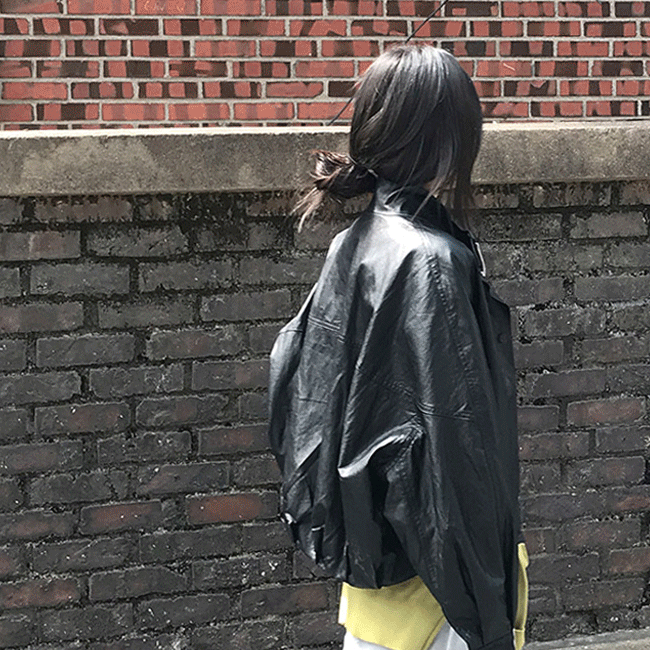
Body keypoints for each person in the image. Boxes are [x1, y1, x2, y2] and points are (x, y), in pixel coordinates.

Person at [268, 45, 528, 650]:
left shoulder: (354, 243)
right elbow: (455, 459)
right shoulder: (428, 262)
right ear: (451, 141)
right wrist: (490, 615)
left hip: (374, 589)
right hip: (439, 600)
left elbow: (299, 402)